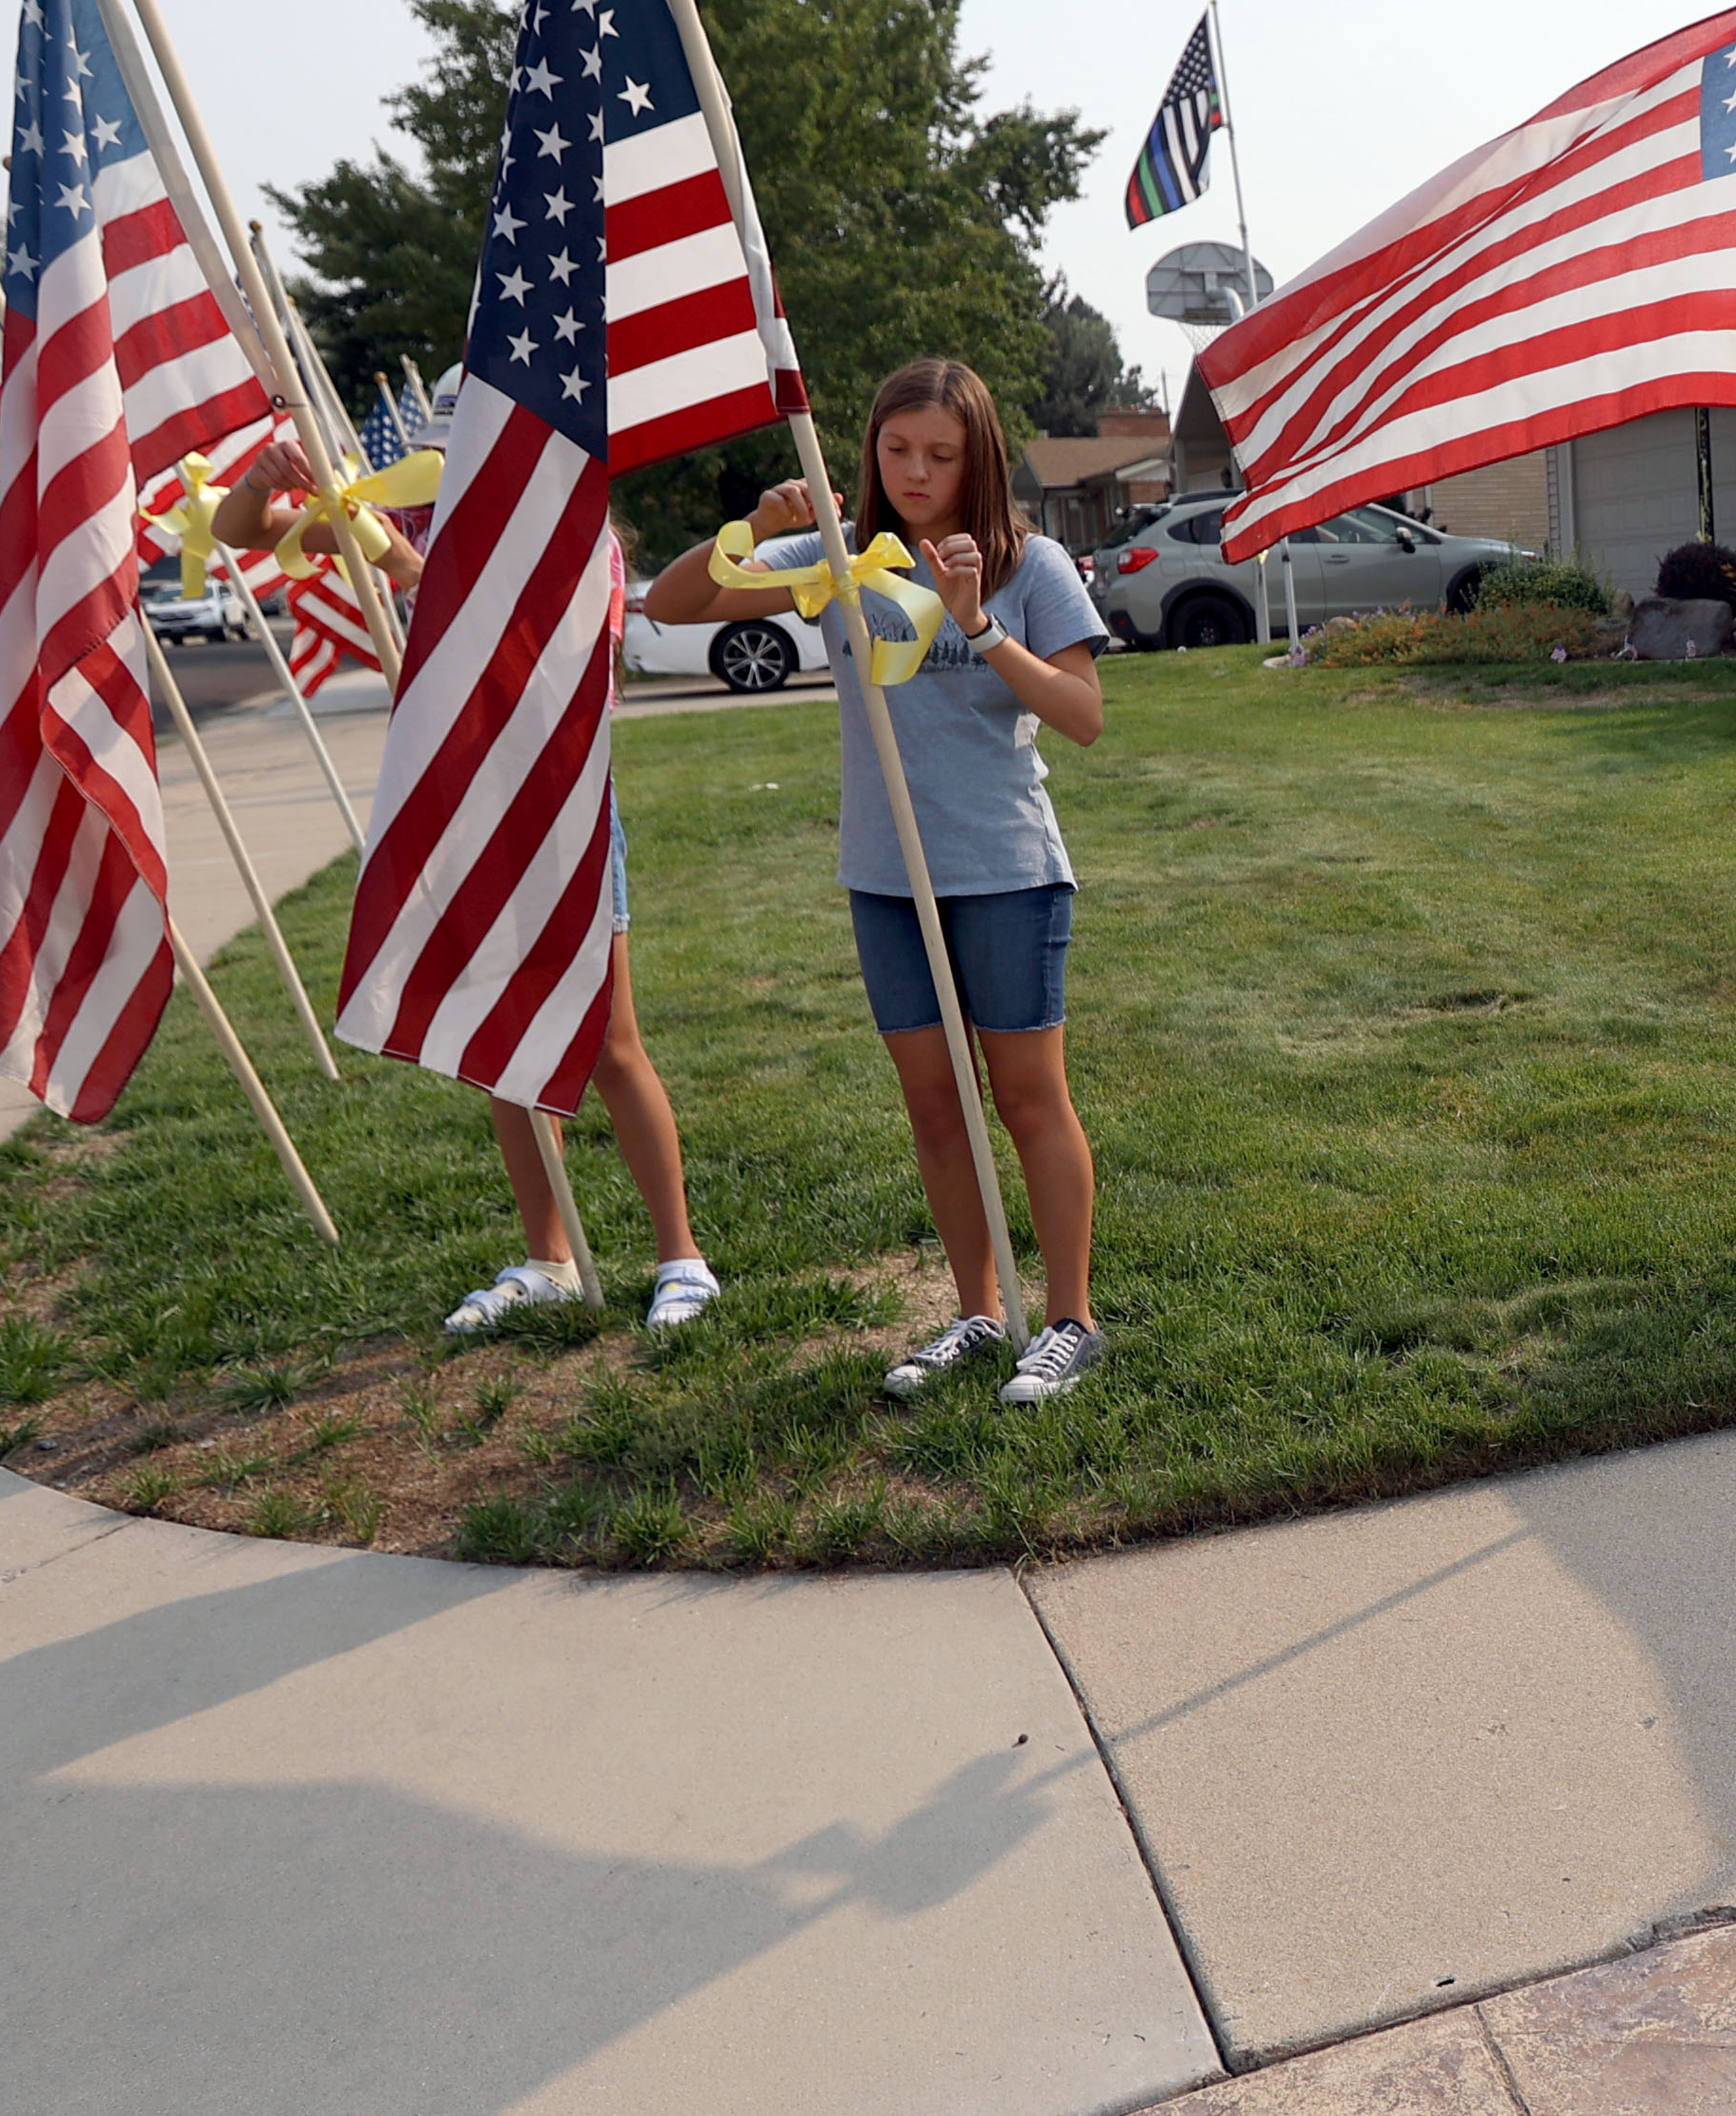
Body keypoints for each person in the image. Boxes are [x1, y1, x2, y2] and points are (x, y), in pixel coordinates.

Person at [640, 358, 1112, 1406]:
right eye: (897, 449)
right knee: (936, 1108)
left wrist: (976, 621)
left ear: (977, 457)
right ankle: (980, 1314)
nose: (915, 471)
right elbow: (671, 604)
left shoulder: (1028, 566)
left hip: (1004, 871)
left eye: (941, 454)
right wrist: (756, 530)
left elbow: (1082, 717)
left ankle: (1071, 1319)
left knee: (1029, 1101)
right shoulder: (837, 562)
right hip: (886, 879)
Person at [213, 433, 720, 1334]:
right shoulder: (418, 519)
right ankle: (548, 1257)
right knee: (505, 1042)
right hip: (466, 817)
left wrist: (407, 562)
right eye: (447, 447)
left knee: (608, 1043)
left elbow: (535, 656)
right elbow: (244, 528)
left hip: (561, 810)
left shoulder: (579, 538)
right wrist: (262, 483)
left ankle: (680, 1256)